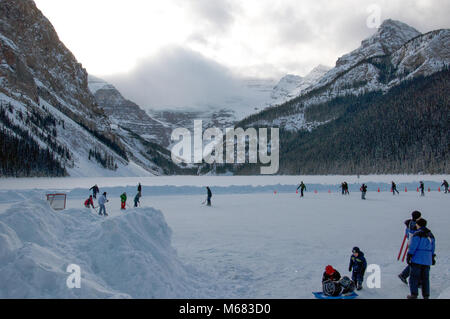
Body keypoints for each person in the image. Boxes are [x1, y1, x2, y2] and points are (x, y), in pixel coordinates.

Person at [406, 218, 436, 299]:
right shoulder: (431, 235)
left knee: (414, 277)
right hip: (427, 260)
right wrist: (432, 257)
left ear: (418, 224)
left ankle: (414, 294)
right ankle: (426, 295)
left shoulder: (417, 234)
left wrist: (409, 255)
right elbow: (433, 248)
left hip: (417, 259)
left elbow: (413, 246)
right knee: (425, 279)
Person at [398, 211, 422, 284]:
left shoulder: (409, 224)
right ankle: (405, 275)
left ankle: (404, 275)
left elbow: (407, 233)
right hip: (416, 245)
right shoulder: (416, 225)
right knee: (418, 263)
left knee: (416, 262)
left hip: (411, 244)